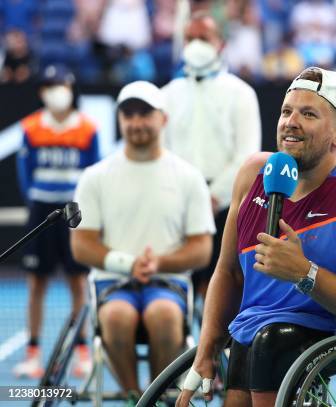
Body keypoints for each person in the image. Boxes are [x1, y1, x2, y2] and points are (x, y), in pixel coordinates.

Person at [175, 66, 336, 407]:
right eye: (287, 111)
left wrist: (305, 273)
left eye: (308, 114)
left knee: (272, 339)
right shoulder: (254, 173)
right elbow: (228, 272)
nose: (290, 122)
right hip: (258, 332)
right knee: (250, 340)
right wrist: (208, 347)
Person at [70, 81, 216, 402]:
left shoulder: (188, 176)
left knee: (163, 315)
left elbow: (202, 249)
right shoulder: (95, 176)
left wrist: (158, 263)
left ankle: (156, 395)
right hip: (113, 283)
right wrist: (128, 264)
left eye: (145, 114)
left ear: (163, 119)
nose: (136, 122)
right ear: (119, 120)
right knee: (115, 318)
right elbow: (81, 244)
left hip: (168, 284)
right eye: (128, 115)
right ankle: (135, 397)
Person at [162, 11, 261, 301]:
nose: (195, 45)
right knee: (178, 292)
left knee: (225, 291)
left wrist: (213, 196)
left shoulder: (241, 93)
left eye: (203, 38)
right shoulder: (167, 94)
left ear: (220, 44)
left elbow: (247, 155)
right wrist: (189, 196)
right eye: (189, 38)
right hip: (179, 205)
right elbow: (163, 152)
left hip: (226, 208)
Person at [13, 64, 99, 380]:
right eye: (49, 85)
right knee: (36, 283)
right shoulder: (31, 127)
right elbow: (25, 174)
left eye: (60, 84)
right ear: (41, 92)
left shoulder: (87, 128)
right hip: (41, 213)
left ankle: (83, 352)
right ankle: (33, 354)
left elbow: (92, 173)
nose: (55, 91)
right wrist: (35, 200)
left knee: (78, 282)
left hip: (72, 214)